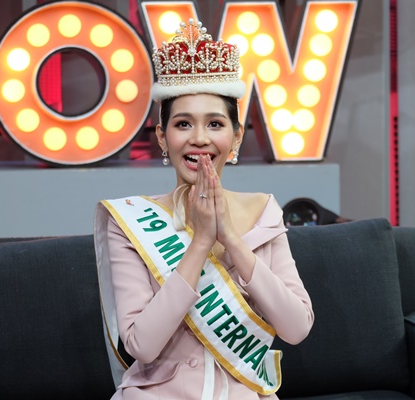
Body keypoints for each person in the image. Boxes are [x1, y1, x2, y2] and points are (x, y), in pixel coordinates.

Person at [94, 18, 314, 400]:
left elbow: (296, 328)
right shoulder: (129, 222)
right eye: (183, 124)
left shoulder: (264, 211)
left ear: (236, 136)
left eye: (215, 123)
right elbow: (141, 346)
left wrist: (230, 237)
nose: (199, 138)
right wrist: (199, 245)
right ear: (163, 137)